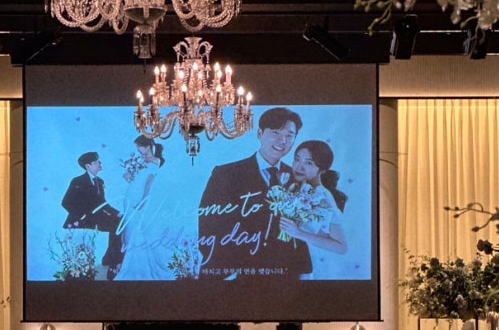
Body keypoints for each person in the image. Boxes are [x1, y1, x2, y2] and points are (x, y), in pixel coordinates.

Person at [197, 107, 312, 278]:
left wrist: (303, 271)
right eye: (275, 132)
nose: (282, 141)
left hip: (285, 274)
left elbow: (301, 231)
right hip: (236, 273)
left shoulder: (298, 179)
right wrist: (230, 270)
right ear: (260, 134)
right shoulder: (226, 174)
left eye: (289, 135)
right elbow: (208, 224)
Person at [277, 140, 348, 277]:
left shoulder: (323, 197)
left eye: (308, 163)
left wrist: (298, 233)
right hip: (287, 262)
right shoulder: (296, 187)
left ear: (322, 169)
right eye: (297, 159)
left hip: (308, 266)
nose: (299, 167)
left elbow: (341, 247)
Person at [115, 136, 171, 280]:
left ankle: (135, 267)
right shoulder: (140, 161)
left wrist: (143, 201)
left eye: (139, 147)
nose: (138, 150)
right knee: (127, 230)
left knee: (135, 230)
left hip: (139, 199)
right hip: (130, 198)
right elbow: (134, 180)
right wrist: (128, 176)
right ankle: (126, 261)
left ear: (147, 146)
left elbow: (149, 184)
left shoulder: (155, 161)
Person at [61, 150, 123, 278]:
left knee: (119, 224)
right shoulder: (77, 181)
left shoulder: (100, 182)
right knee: (115, 226)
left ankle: (111, 262)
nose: (100, 163)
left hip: (95, 218)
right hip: (80, 221)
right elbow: (66, 202)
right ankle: (108, 263)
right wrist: (82, 215)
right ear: (88, 166)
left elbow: (103, 203)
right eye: (96, 162)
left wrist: (118, 213)